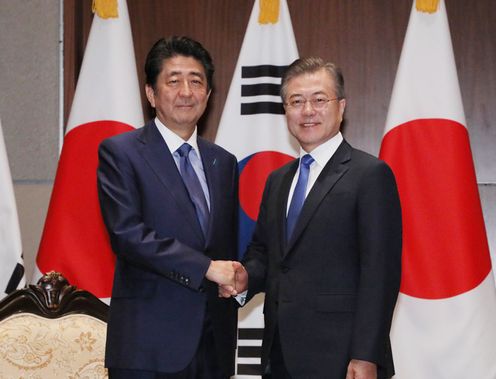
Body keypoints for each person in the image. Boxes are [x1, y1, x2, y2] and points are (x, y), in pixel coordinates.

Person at [223, 57, 402, 379]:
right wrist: (244, 278)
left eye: (319, 100)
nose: (307, 111)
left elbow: (380, 273)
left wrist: (365, 355)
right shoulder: (278, 180)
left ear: (341, 106)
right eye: (296, 101)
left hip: (342, 357)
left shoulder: (370, 174)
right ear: (286, 111)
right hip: (279, 354)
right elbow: (265, 253)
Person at [97, 36, 239, 379]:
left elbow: (225, 245)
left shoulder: (223, 161)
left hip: (214, 345)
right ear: (151, 93)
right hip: (148, 347)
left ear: (207, 94)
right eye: (173, 81)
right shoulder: (122, 153)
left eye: (196, 80)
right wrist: (206, 267)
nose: (186, 91)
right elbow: (128, 235)